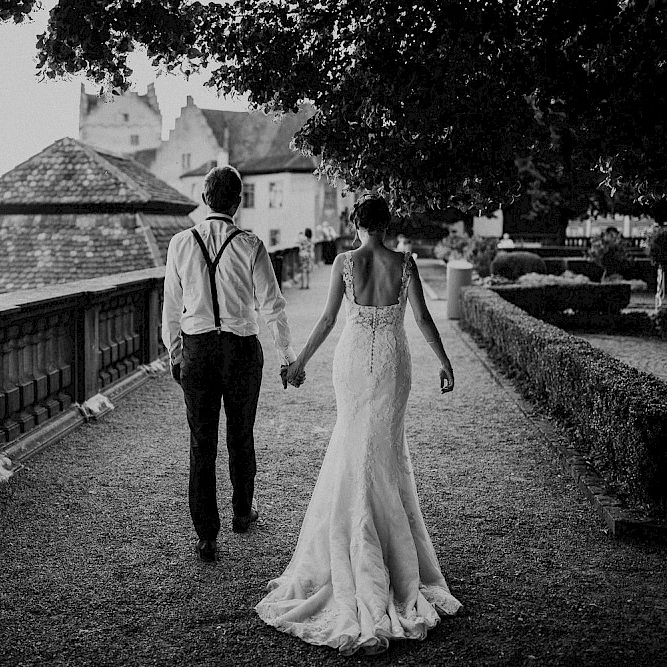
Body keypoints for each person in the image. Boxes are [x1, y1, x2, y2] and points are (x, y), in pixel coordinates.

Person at [255, 194, 461, 655]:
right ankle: (393, 562)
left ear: (355, 224)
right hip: (392, 362)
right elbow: (423, 318)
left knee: (354, 448)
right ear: (387, 225)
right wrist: (444, 362)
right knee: (383, 452)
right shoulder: (404, 263)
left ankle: (355, 551)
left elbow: (329, 319)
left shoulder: (345, 263)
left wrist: (299, 363)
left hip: (351, 362)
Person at [162, 165, 298, 563]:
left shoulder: (180, 243)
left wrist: (175, 352)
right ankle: (242, 512)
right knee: (241, 434)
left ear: (205, 200)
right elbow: (273, 304)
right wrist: (287, 356)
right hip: (240, 350)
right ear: (237, 203)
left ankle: (206, 535)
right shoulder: (251, 244)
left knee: (201, 443)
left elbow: (172, 305)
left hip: (198, 350)